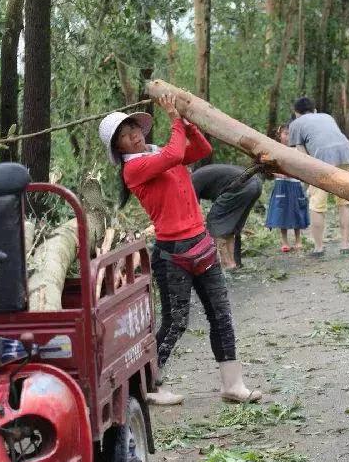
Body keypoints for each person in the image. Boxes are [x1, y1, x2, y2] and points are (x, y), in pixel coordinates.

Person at [98, 95, 262, 406]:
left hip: (202, 245)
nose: (133, 134)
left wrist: (187, 122)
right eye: (124, 135)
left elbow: (202, 150)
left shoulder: (157, 152)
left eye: (133, 127)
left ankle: (233, 384)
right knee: (175, 322)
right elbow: (176, 154)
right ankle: (151, 385)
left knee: (221, 315)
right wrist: (175, 117)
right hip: (173, 255)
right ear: (119, 148)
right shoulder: (135, 168)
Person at [287, 97, 349, 257]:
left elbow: (301, 154)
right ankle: (345, 246)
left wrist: (307, 179)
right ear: (314, 110)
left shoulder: (295, 124)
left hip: (322, 161)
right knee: (344, 203)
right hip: (347, 155)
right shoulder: (327, 116)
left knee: (317, 205)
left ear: (296, 113)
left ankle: (319, 248)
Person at [191, 163, 262, 270]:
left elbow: (194, 210)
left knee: (215, 223)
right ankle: (233, 263)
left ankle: (226, 264)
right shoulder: (199, 175)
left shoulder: (191, 182)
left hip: (241, 186)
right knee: (231, 227)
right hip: (255, 184)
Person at [265, 123, 309, 252]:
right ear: (280, 135)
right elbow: (270, 167)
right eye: (285, 133)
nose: (288, 136)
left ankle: (298, 240)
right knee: (281, 211)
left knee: (297, 211)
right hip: (281, 185)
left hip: (295, 184)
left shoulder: (297, 150)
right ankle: (284, 241)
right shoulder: (275, 149)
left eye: (290, 134)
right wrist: (279, 174)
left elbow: (302, 167)